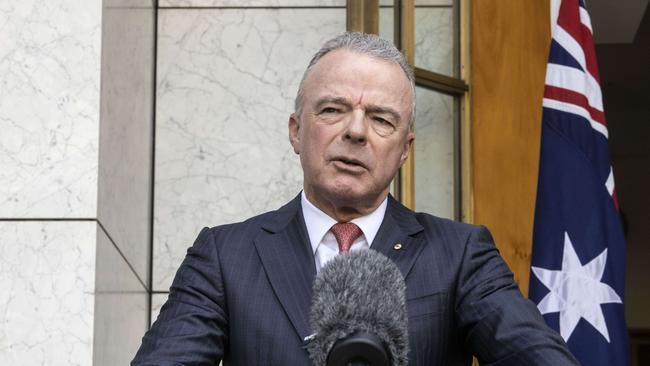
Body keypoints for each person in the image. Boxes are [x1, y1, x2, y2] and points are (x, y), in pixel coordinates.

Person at [132, 32, 578, 365]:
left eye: (381, 119)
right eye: (332, 109)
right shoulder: (225, 255)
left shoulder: (461, 254)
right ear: (296, 131)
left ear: (404, 149)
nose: (356, 131)